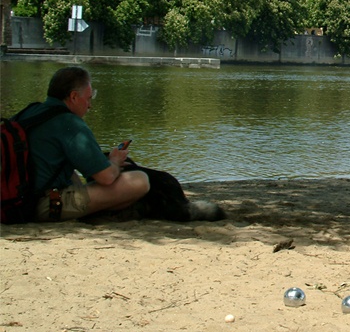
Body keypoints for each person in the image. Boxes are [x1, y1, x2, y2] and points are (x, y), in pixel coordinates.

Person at [19, 66, 221, 222]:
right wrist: (114, 161)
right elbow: (106, 177)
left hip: (19, 199)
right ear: (73, 96)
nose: (90, 105)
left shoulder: (30, 112)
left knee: (70, 169)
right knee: (140, 181)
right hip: (43, 205)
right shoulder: (69, 123)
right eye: (88, 98)